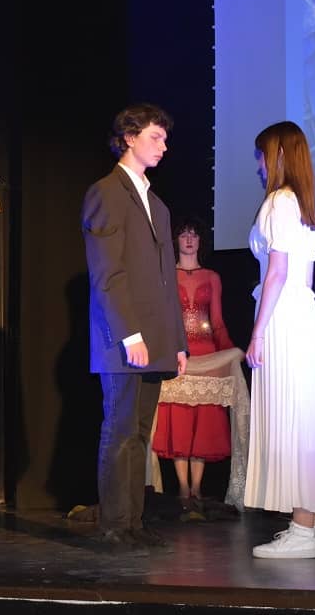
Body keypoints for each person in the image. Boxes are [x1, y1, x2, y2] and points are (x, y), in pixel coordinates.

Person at [82, 103, 188, 550]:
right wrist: (130, 334)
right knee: (120, 430)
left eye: (165, 138)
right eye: (154, 137)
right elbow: (107, 273)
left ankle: (133, 523)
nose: (163, 146)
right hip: (124, 339)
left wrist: (177, 342)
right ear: (129, 138)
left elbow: (167, 281)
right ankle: (113, 526)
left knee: (141, 434)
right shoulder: (106, 192)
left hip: (156, 339)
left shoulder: (156, 204)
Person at [245, 121, 315, 559]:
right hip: (303, 313)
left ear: (279, 154)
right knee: (304, 419)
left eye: (262, 156)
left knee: (295, 418)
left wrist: (258, 332)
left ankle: (304, 530)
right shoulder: (304, 205)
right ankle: (306, 528)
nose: (259, 166)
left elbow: (277, 273)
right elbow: (305, 276)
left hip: (283, 316)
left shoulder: (280, 201)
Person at [151, 217, 235, 512]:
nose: (189, 239)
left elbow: (218, 322)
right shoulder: (166, 275)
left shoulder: (212, 277)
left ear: (201, 241)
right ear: (176, 240)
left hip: (207, 354)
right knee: (180, 420)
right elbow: (162, 319)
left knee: (204, 422)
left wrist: (230, 352)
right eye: (184, 234)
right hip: (178, 355)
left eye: (194, 234)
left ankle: (197, 488)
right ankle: (183, 487)